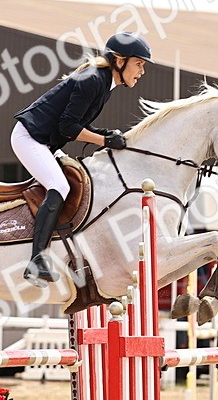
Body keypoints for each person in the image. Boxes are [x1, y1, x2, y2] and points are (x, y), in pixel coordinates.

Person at [12, 31, 152, 285]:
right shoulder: (93, 80)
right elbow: (68, 127)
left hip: (46, 142)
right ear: (120, 61)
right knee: (60, 186)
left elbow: (77, 124)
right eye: (139, 63)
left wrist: (105, 134)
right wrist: (104, 140)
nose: (142, 71)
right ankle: (36, 260)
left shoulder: (104, 83)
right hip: (30, 138)